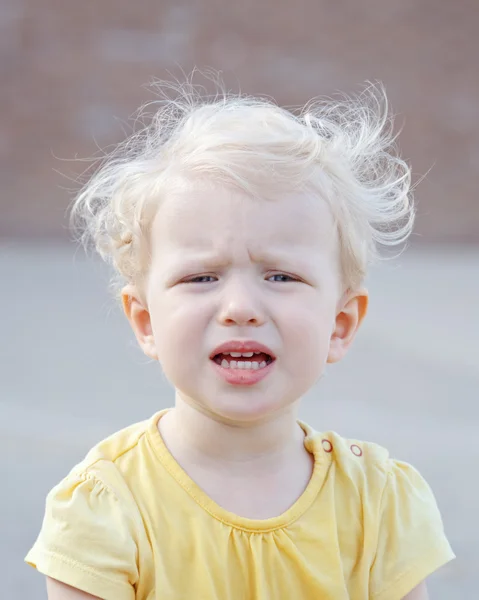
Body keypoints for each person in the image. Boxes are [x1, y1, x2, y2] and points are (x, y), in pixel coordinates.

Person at [25, 77, 455, 600]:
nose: (241, 310)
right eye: (201, 277)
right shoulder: (106, 508)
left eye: (281, 276)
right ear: (145, 322)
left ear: (340, 325)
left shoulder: (380, 504)